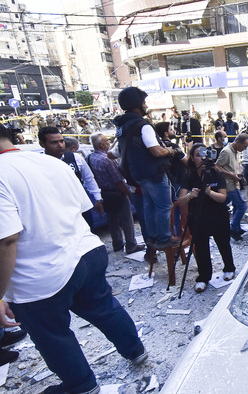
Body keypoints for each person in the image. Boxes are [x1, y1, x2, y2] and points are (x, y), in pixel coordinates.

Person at [0, 124, 148, 394]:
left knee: (52, 335)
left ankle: (82, 385)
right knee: (104, 308)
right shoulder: (49, 163)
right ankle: (135, 350)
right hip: (85, 252)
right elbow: (81, 207)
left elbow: (7, 239)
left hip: (40, 274)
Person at [113, 86, 183, 249]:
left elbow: (114, 152)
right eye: (143, 102)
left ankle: (151, 237)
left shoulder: (122, 127)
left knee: (149, 205)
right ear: (136, 104)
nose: (146, 106)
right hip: (154, 173)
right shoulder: (143, 125)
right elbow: (156, 151)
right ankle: (164, 238)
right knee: (164, 206)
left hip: (137, 174)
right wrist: (171, 150)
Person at [179, 144, 236, 293]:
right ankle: (203, 277)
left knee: (223, 243)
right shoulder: (188, 175)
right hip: (198, 217)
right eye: (198, 155)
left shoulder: (216, 174)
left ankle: (229, 268)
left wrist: (210, 193)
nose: (202, 158)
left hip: (218, 216)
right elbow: (181, 201)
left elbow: (223, 197)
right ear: (192, 157)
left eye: (205, 154)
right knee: (202, 248)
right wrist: (190, 195)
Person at [88, 133, 145, 254]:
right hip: (116, 192)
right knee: (126, 220)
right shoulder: (108, 160)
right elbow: (118, 181)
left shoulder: (90, 157)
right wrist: (129, 194)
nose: (109, 142)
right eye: (107, 141)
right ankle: (131, 244)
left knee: (112, 219)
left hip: (104, 193)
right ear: (102, 145)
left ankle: (117, 243)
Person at [38, 127, 104, 229]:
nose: (60, 145)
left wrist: (98, 199)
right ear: (42, 144)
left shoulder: (75, 158)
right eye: (54, 142)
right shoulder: (38, 163)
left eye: (61, 141)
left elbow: (89, 178)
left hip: (80, 207)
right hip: (57, 211)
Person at [215, 133, 248, 241]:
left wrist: (238, 171)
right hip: (229, 184)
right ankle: (233, 228)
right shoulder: (226, 151)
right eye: (244, 146)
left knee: (235, 205)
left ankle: (236, 227)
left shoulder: (234, 151)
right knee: (242, 206)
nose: (244, 149)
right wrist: (231, 175)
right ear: (238, 142)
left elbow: (233, 165)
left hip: (234, 182)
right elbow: (217, 166)